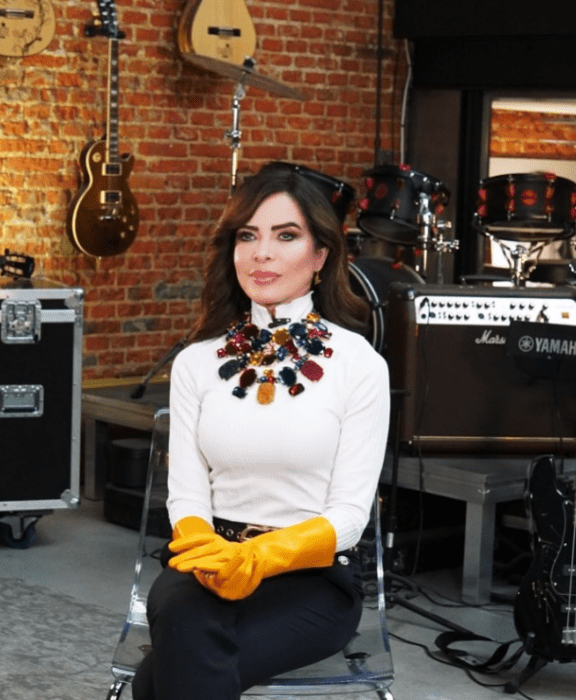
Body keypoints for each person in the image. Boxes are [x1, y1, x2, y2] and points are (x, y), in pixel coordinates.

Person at [131, 162, 390, 700]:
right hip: (204, 561)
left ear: (321, 256)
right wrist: (213, 552)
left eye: (285, 235)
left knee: (163, 674)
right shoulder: (196, 363)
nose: (261, 253)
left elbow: (348, 516)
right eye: (247, 236)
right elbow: (186, 493)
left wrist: (259, 558)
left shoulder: (359, 364)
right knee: (186, 631)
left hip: (312, 580)